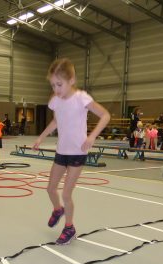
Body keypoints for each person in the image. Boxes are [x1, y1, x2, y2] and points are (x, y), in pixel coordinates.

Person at [33, 58, 110, 245]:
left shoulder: (81, 98)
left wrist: (91, 137)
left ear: (71, 80)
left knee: (66, 193)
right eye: (53, 85)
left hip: (77, 152)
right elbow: (56, 121)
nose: (56, 89)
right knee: (50, 188)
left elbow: (105, 115)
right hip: (62, 151)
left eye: (59, 84)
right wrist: (41, 137)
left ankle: (69, 227)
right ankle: (57, 209)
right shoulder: (55, 101)